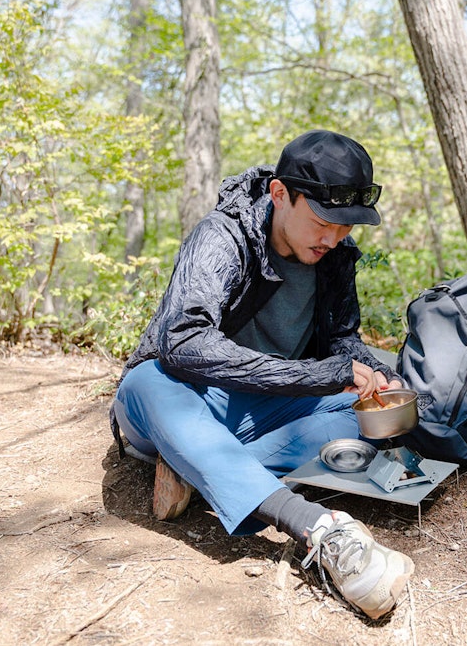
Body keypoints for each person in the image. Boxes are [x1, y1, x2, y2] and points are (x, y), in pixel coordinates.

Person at [110, 130, 414, 620]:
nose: (333, 239)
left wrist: (377, 374)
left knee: (369, 414)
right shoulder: (224, 237)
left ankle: (203, 471)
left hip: (263, 414)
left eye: (344, 228)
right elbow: (183, 343)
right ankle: (319, 528)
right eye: (322, 222)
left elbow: (341, 342)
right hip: (184, 400)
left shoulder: (334, 256)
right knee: (147, 381)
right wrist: (321, 375)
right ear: (279, 195)